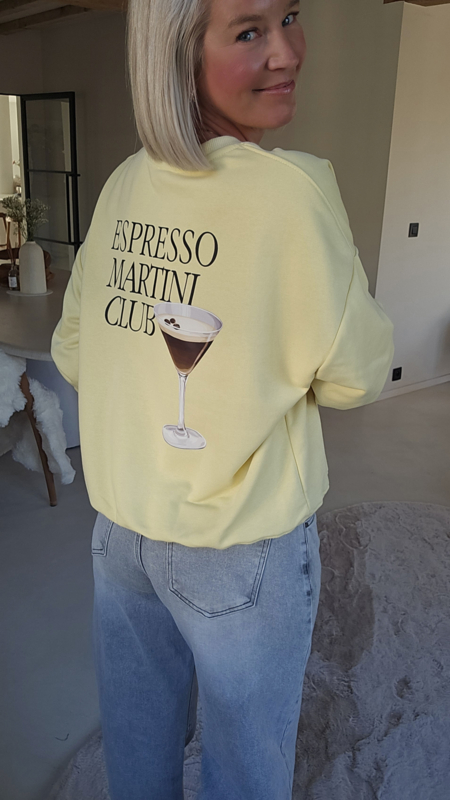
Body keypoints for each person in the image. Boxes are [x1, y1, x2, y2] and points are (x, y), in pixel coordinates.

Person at [51, 0, 395, 797]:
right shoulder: (292, 191)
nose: (286, 52)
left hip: (122, 533)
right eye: (248, 32)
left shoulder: (122, 183)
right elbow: (359, 374)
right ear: (179, 55)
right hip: (239, 547)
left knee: (137, 743)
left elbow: (75, 350)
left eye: (290, 15)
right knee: (245, 766)